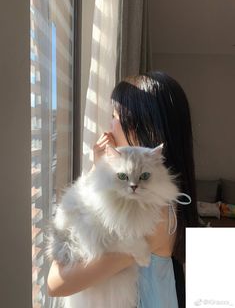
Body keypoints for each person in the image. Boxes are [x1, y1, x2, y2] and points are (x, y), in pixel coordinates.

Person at [47, 71, 199, 307]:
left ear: (140, 125)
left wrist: (98, 173)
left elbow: (57, 284)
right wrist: (101, 169)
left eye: (115, 115)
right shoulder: (163, 198)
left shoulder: (149, 216)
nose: (110, 124)